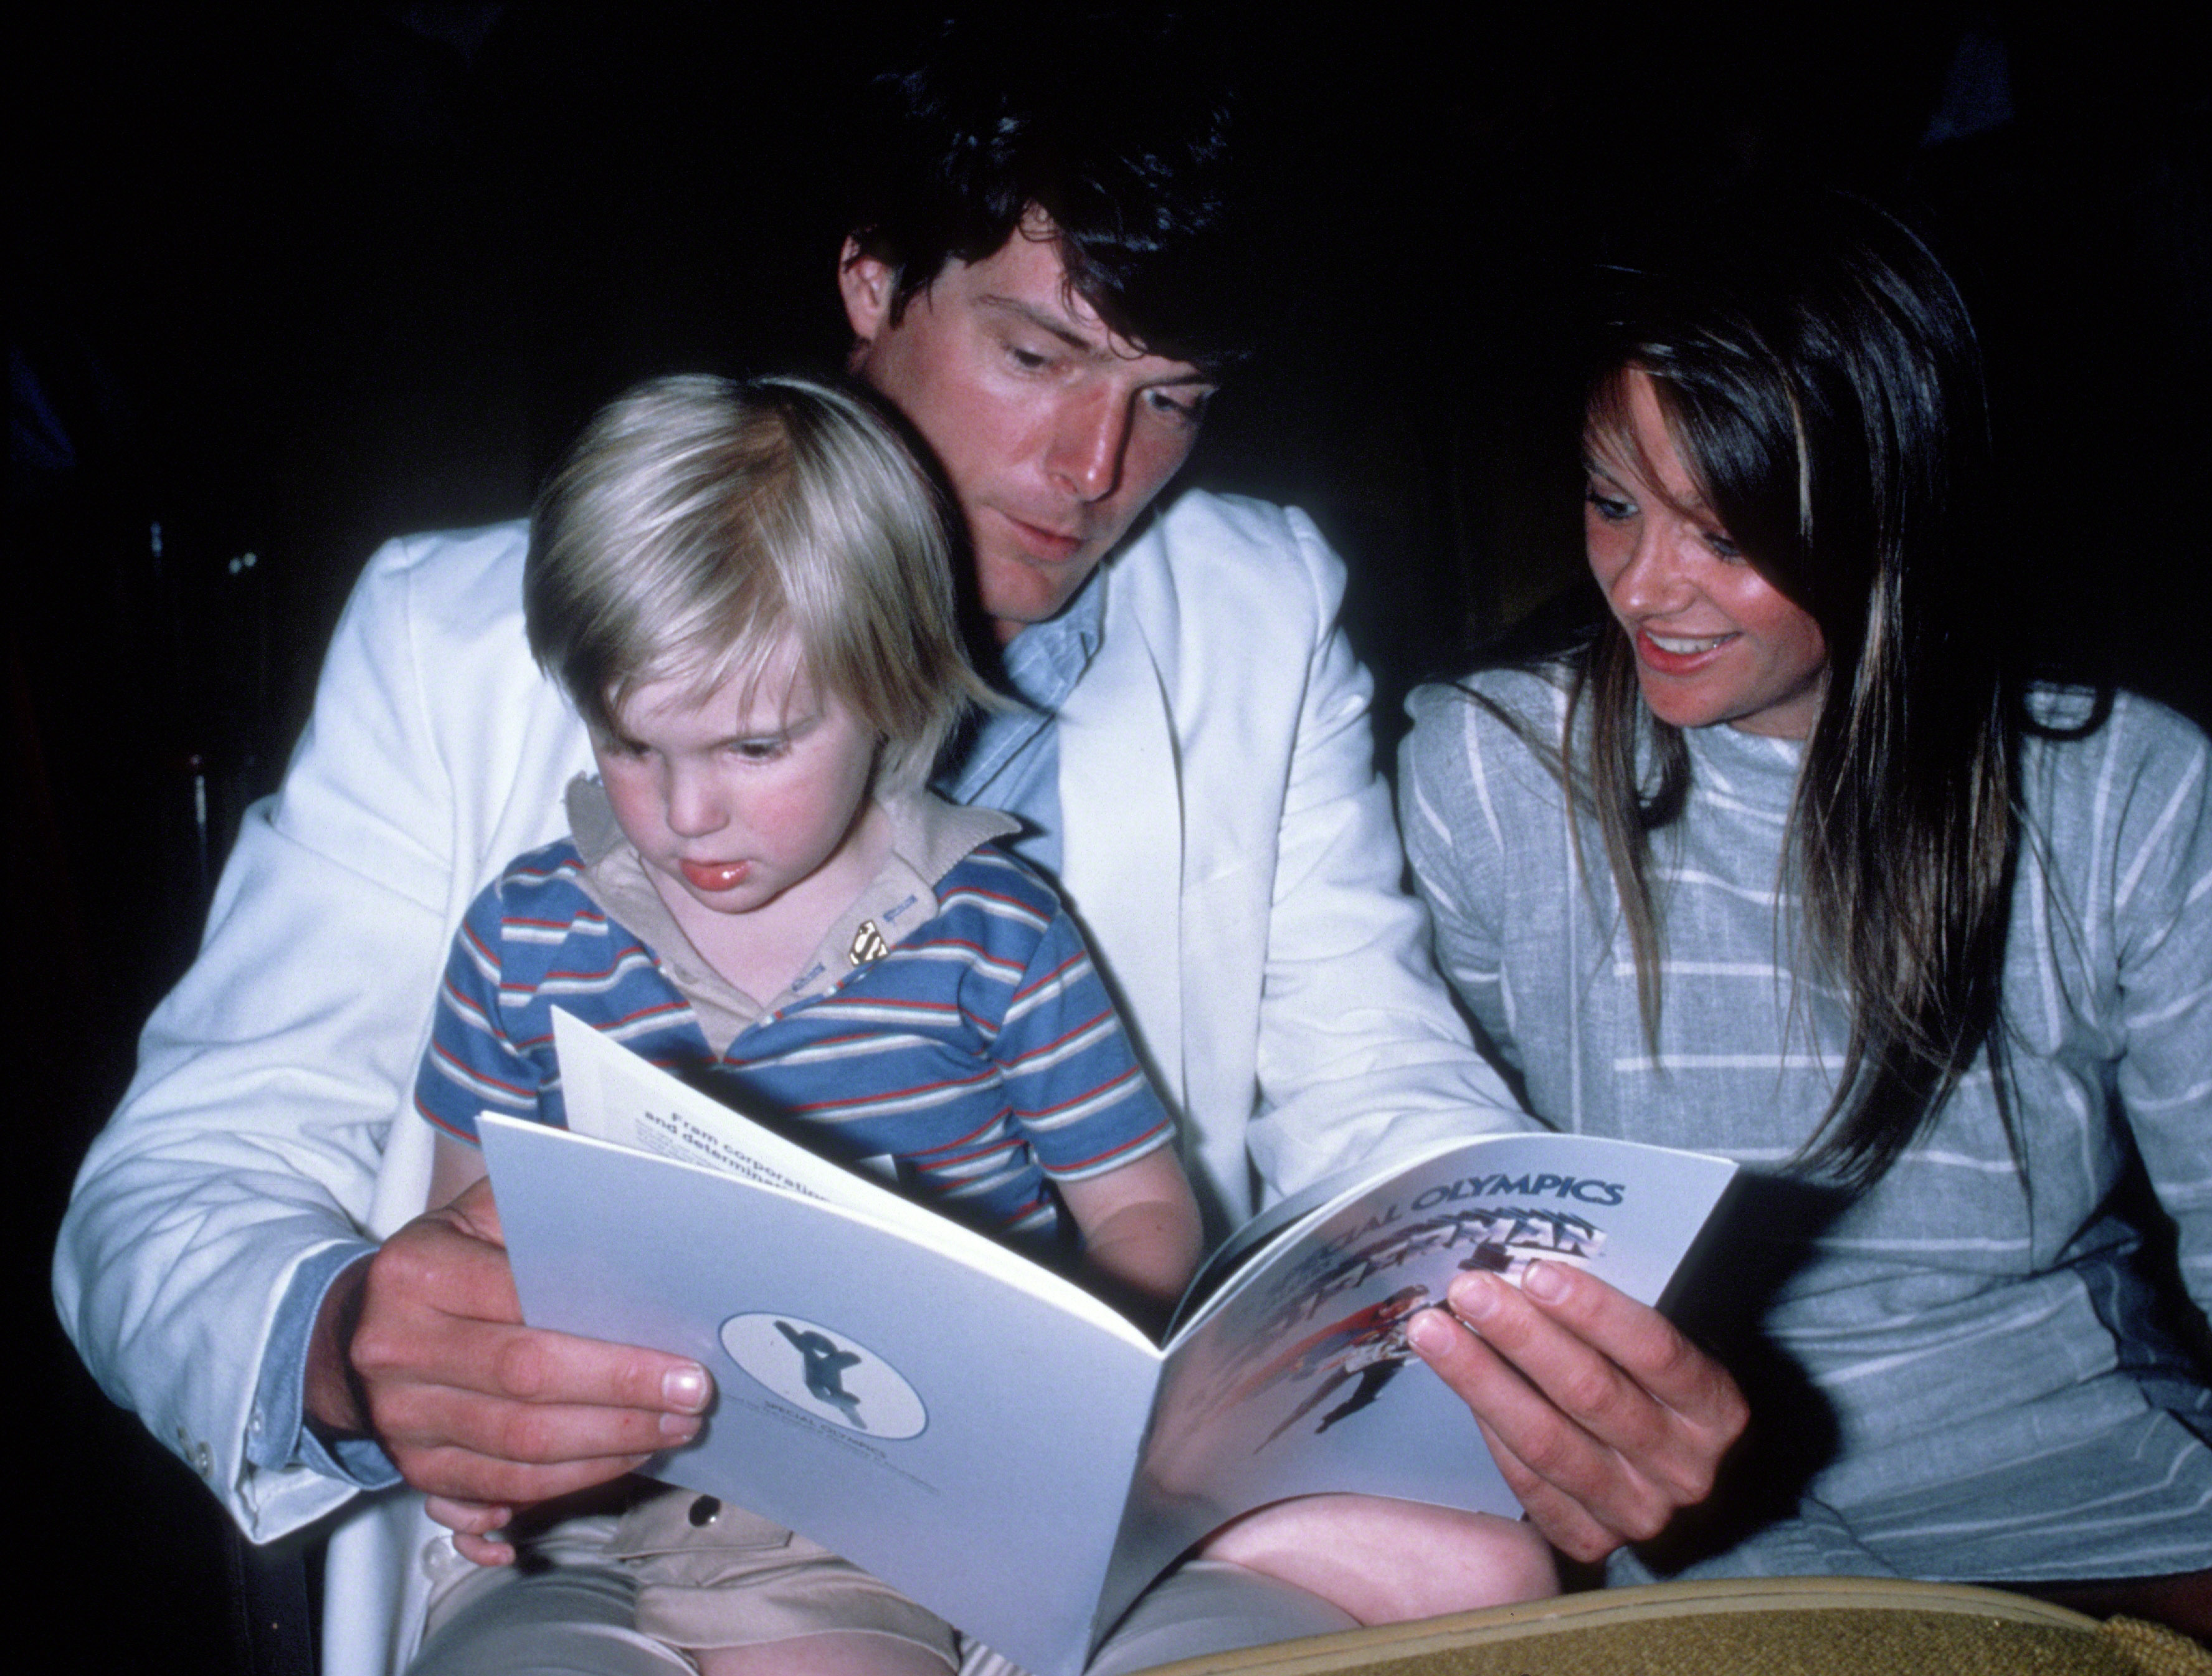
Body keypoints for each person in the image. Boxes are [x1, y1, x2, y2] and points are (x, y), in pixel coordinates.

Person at [54, 18, 1740, 1676]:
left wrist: (1535, 1323)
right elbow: (169, 1191)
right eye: (1036, 356)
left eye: (1171, 399)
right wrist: (346, 1346)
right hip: (622, 1546)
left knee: (1477, 1570)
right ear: (871, 284)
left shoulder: (1256, 604)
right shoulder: (459, 639)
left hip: (1108, 1538)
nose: (1098, 474)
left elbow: (1375, 1085)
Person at [1395, 193, 2212, 1676]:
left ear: (1893, 510)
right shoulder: (1490, 768)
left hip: (2082, 1451)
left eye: (1726, 530)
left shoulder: (2120, 792)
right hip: (1676, 1483)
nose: (1642, 588)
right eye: (1611, 500)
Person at [415, 371, 1554, 1674]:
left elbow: (1138, 1210)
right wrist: (464, 1403)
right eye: (632, 746)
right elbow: (457, 1244)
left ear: (890, 693)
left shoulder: (993, 930)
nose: (683, 814)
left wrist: (1061, 1380)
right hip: (572, 1525)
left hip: (858, 1550)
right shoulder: (525, 930)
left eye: (754, 748)